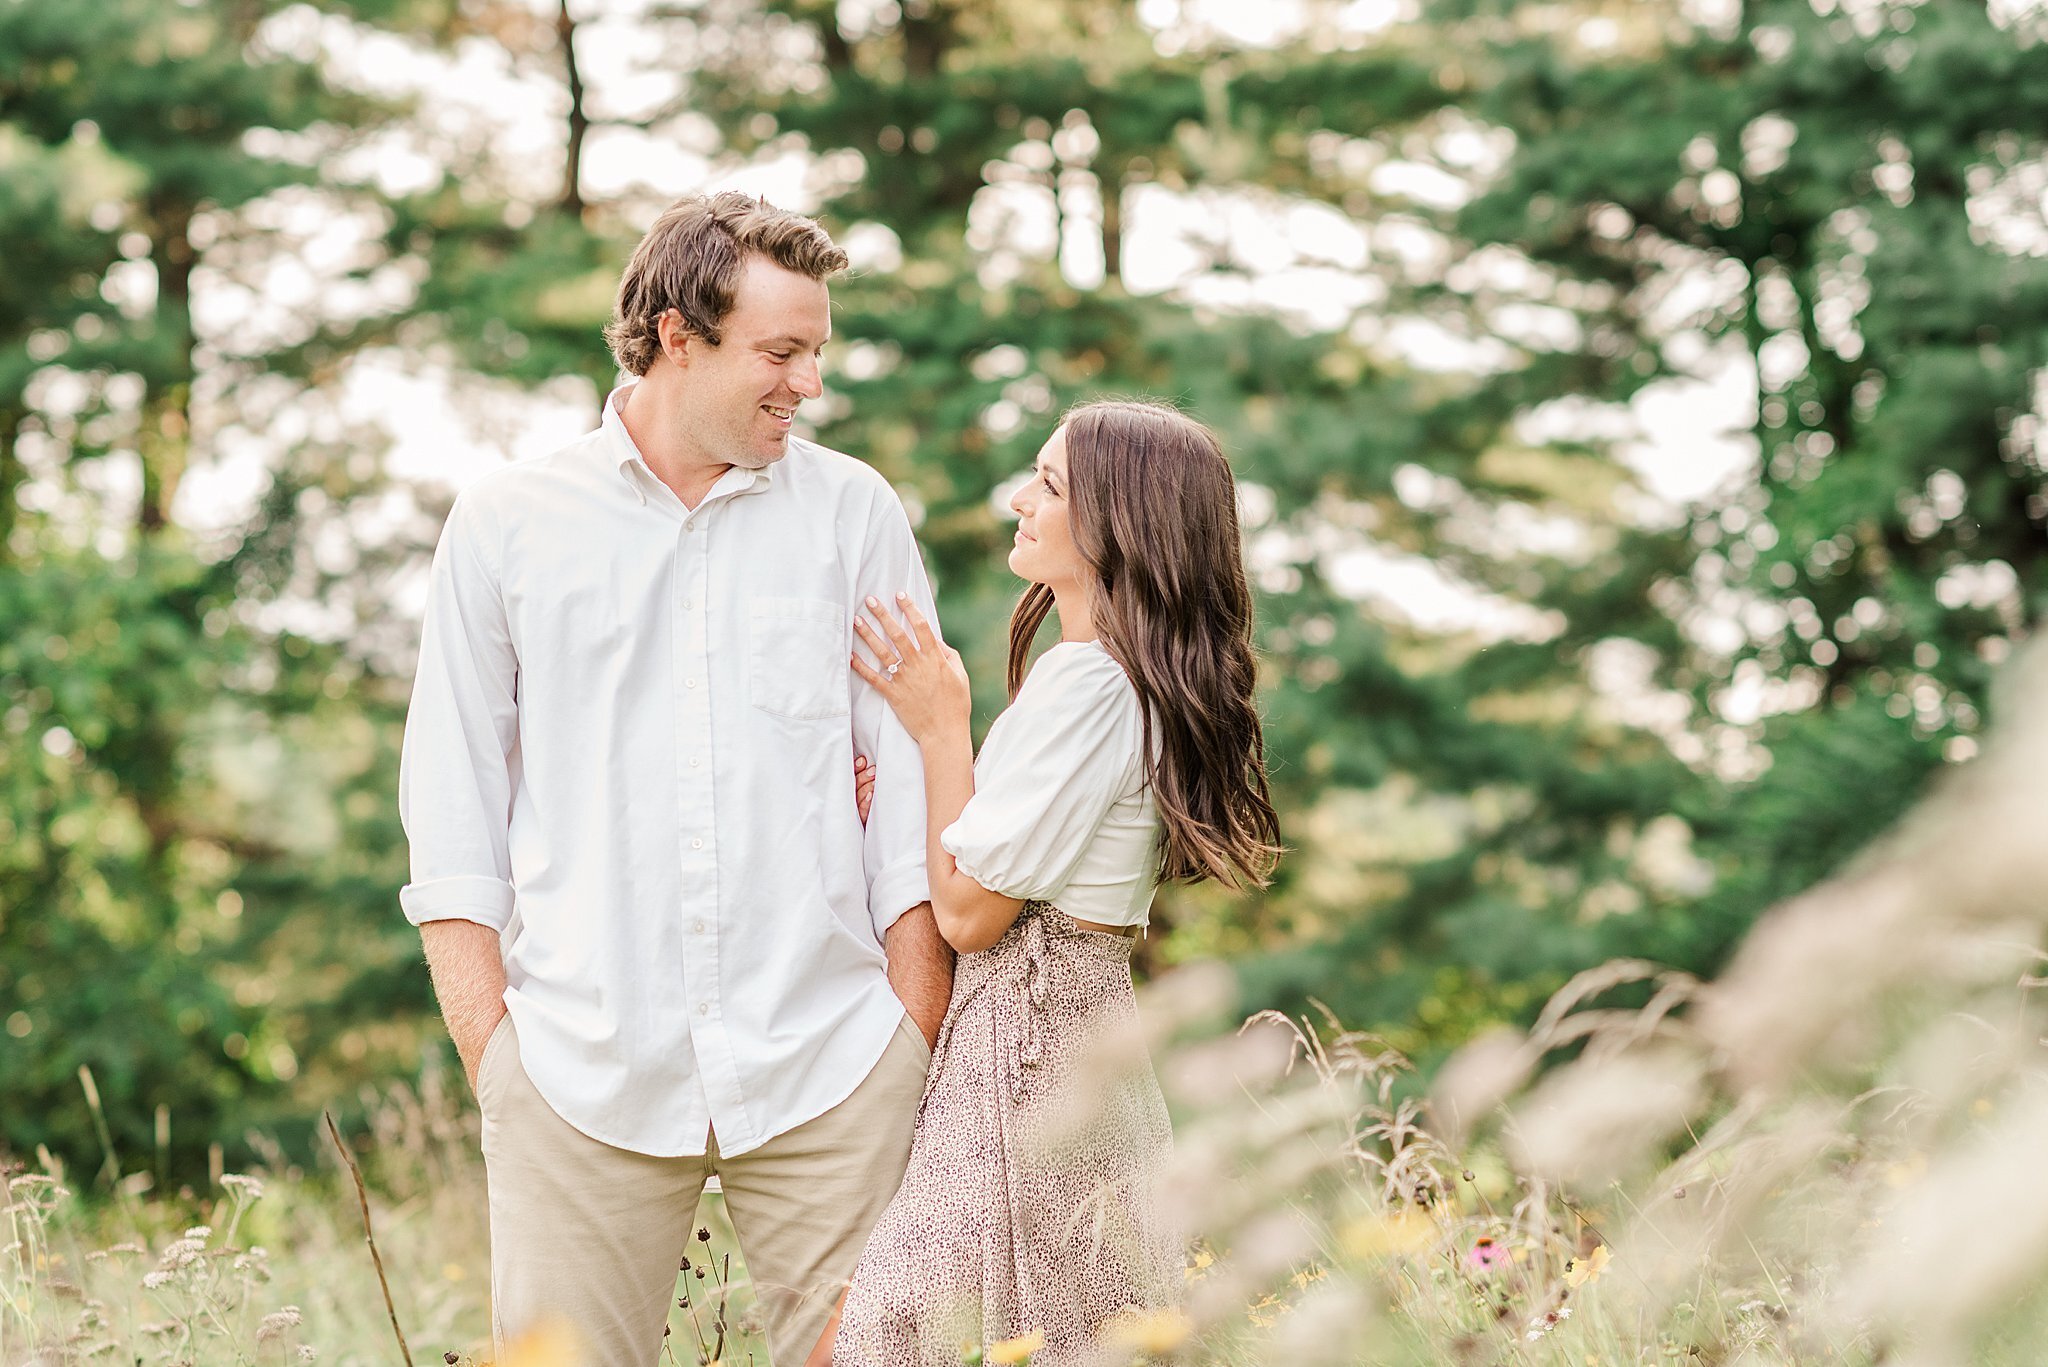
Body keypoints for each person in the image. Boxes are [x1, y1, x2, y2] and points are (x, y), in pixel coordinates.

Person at [397, 192, 953, 1367]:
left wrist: (908, 1024)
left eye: (816, 352)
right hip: (575, 1065)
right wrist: (495, 1052)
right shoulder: (506, 524)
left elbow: (904, 785)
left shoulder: (852, 512)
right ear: (676, 335)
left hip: (833, 1058)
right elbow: (451, 806)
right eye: (781, 352)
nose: (806, 383)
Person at [833, 400, 1282, 1365]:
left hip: (1031, 1046)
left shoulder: (1091, 686)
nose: (1019, 499)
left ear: (1122, 522)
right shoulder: (1103, 679)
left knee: (908, 1332)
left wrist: (941, 727)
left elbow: (967, 913)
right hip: (1062, 1036)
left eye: (1049, 485)